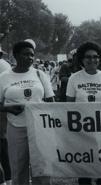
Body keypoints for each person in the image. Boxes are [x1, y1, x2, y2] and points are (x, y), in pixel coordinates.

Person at [0, 41, 55, 185]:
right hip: (16, 127)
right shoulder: (4, 77)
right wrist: (8, 108)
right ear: (16, 55)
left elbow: (51, 100)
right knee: (18, 168)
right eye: (26, 54)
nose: (30, 58)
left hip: (40, 128)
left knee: (42, 168)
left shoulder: (39, 74)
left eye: (32, 55)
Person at [66, 42, 101, 185]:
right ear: (81, 59)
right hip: (82, 128)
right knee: (84, 165)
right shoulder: (74, 78)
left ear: (100, 59)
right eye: (88, 57)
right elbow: (69, 106)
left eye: (95, 57)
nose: (92, 60)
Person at [0, 47, 11, 185]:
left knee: (2, 145)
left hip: (1, 108)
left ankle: (6, 179)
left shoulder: (3, 66)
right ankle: (8, 178)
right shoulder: (5, 65)